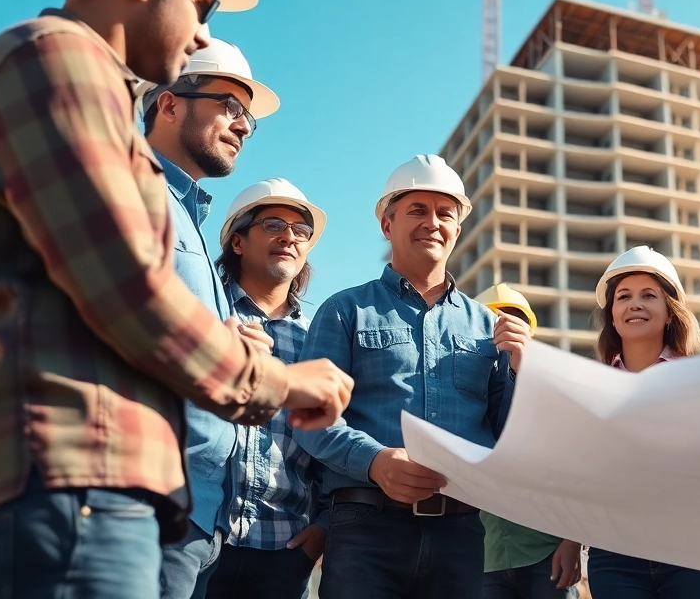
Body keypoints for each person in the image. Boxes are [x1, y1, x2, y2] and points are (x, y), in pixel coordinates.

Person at [0, 0, 351, 599]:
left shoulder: (83, 90)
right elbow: (128, 292)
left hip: (77, 488)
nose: (205, 32)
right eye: (202, 3)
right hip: (64, 481)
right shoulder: (57, 64)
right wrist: (278, 380)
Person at [296, 155, 532, 599]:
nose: (433, 223)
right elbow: (310, 417)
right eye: (417, 210)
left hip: (461, 534)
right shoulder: (345, 310)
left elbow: (507, 436)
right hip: (366, 530)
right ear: (387, 226)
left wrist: (522, 371)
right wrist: (374, 461)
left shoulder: (488, 328)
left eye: (445, 213)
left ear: (457, 230)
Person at [140, 34, 281, 599]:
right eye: (229, 105)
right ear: (170, 102)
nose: (243, 125)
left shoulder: (190, 220)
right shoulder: (133, 192)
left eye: (248, 115)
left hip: (198, 519)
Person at [205, 179, 331, 599]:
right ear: (237, 242)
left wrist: (323, 528)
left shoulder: (320, 340)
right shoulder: (204, 314)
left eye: (301, 231)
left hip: (285, 550)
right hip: (198, 537)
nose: (289, 237)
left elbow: (334, 439)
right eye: (273, 224)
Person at [584, 247, 700, 599]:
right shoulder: (589, 386)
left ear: (669, 314)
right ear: (613, 315)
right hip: (615, 555)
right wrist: (571, 539)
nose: (635, 304)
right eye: (624, 297)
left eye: (649, 296)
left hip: (696, 551)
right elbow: (581, 472)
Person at [475, 284, 583, 599]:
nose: (507, 329)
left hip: (547, 552)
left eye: (516, 322)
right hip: (484, 557)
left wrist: (572, 541)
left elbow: (578, 473)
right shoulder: (464, 394)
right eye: (497, 321)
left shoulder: (556, 395)